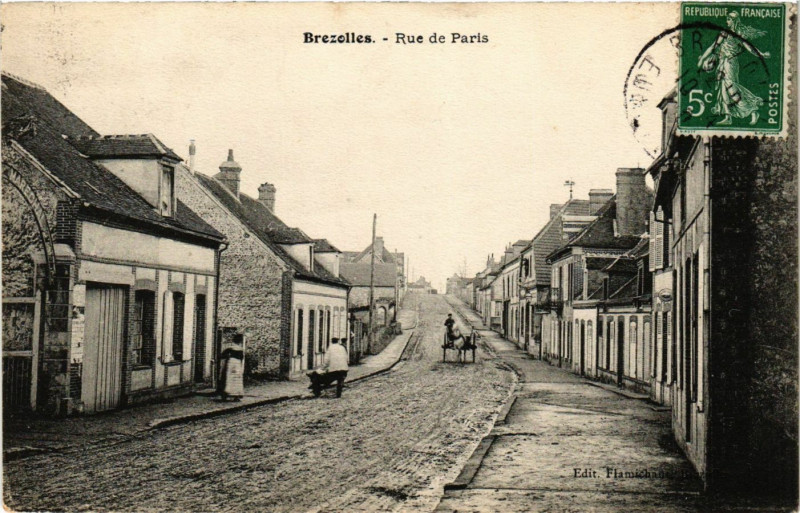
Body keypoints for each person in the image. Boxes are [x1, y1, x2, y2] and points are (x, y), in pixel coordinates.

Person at [697, 11, 769, 126]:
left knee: (731, 87)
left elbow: (749, 47)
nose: (727, 21)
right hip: (722, 62)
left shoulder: (738, 35)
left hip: (731, 63)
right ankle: (728, 117)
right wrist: (702, 60)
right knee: (723, 89)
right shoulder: (724, 33)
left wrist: (761, 54)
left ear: (734, 21)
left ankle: (753, 110)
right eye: (727, 19)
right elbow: (714, 46)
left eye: (729, 19)